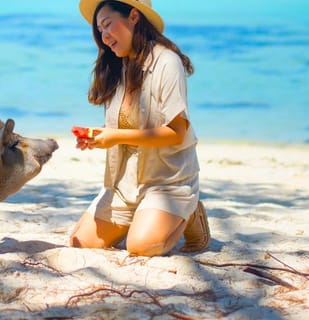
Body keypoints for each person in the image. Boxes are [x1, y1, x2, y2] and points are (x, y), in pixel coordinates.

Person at [69, 0, 210, 256]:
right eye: (100, 30)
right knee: (80, 242)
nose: (104, 36)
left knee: (141, 246)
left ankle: (189, 213)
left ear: (134, 16)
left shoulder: (166, 62)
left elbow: (177, 133)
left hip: (166, 182)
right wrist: (100, 136)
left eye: (108, 25)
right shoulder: (117, 67)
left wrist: (116, 137)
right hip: (125, 184)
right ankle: (145, 217)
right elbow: (126, 124)